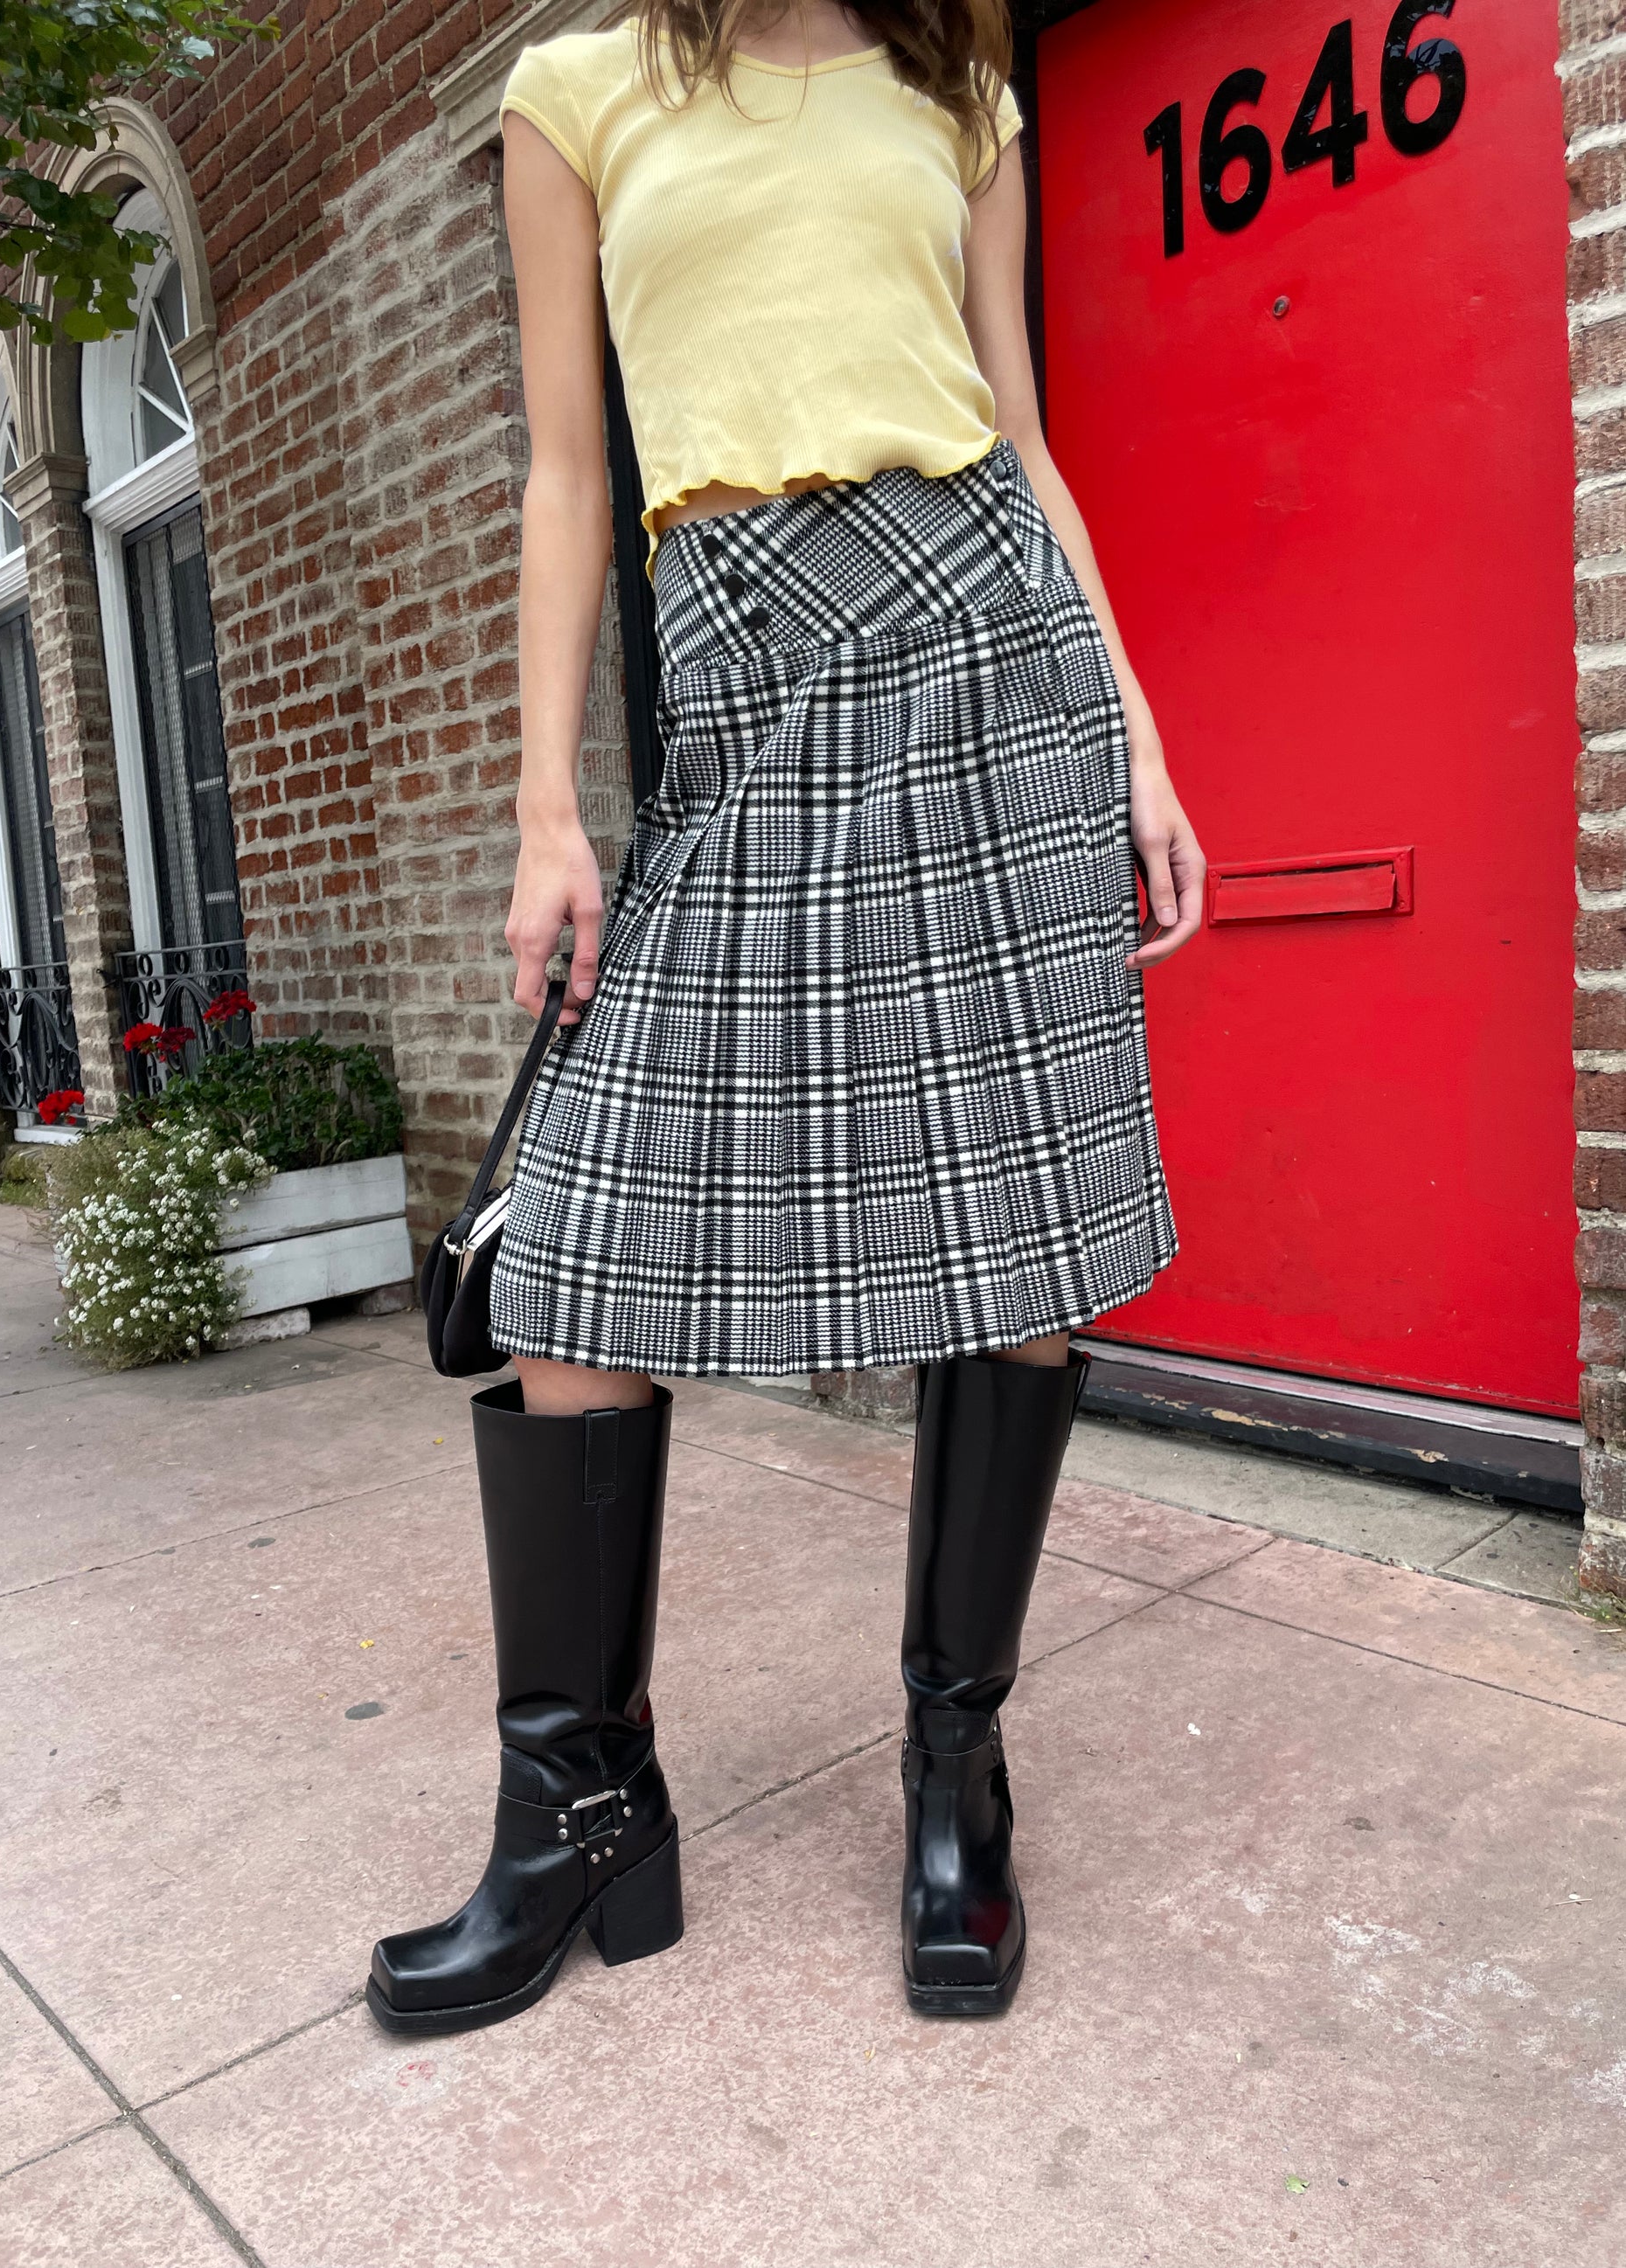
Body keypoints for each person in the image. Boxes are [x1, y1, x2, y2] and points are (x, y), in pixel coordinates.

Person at [366, 0, 1204, 2037]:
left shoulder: (963, 98)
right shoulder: (575, 93)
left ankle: (954, 1780)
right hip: (743, 674)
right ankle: (575, 1805)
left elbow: (1018, 430)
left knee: (1013, 1240)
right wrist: (549, 805)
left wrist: (1142, 743)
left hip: (997, 660)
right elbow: (571, 466)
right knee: (571, 1248)